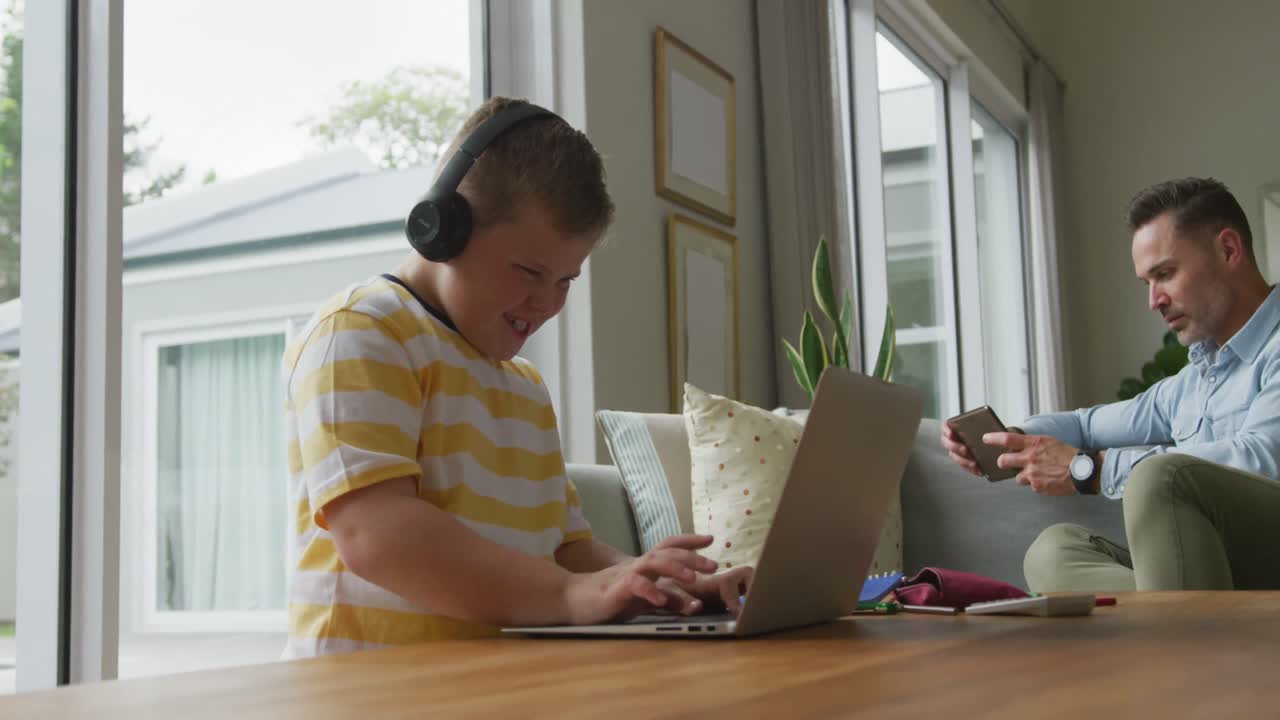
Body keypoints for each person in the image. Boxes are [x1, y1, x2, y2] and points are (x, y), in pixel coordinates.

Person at [282, 96, 750, 658]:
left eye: (566, 280)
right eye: (530, 271)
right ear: (443, 229)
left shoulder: (525, 387)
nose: (547, 303)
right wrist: (569, 596)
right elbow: (375, 536)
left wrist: (657, 585)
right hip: (366, 688)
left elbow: (567, 551)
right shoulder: (363, 332)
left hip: (494, 684)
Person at [941, 177, 1280, 592]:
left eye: (1165, 274)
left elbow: (1262, 457)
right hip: (1211, 579)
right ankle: (1174, 618)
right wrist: (1010, 439)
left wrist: (1091, 469)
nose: (1154, 300)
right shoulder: (1192, 384)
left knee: (1160, 477)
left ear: (1228, 250)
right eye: (1147, 283)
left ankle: (1174, 619)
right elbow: (1087, 426)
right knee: (1054, 551)